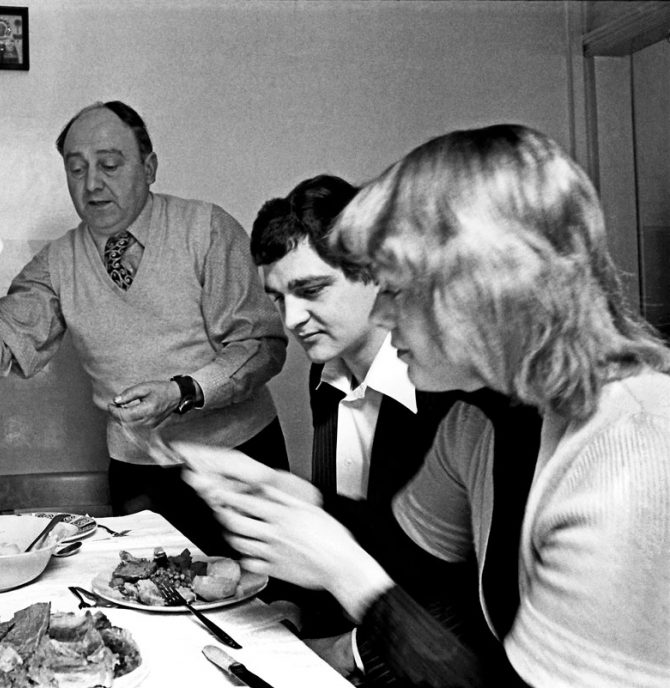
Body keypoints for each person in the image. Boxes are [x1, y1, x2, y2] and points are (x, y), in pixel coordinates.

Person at [179, 125, 670, 686]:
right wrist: (296, 503)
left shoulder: (632, 449)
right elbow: (405, 550)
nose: (383, 317)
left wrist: (344, 571)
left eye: (396, 288)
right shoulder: (477, 421)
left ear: (484, 284)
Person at [0, 101, 289, 555]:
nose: (92, 184)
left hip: (240, 458)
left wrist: (183, 391)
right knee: (145, 603)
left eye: (110, 165)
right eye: (76, 170)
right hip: (138, 471)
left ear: (149, 167)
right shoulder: (58, 263)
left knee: (260, 606)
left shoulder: (207, 230)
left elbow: (261, 344)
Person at [250, 175, 468, 638]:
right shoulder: (324, 373)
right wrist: (293, 612)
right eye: (277, 298)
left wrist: (349, 654)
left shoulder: (448, 389)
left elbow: (449, 579)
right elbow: (341, 527)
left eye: (311, 290)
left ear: (371, 270)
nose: (290, 320)